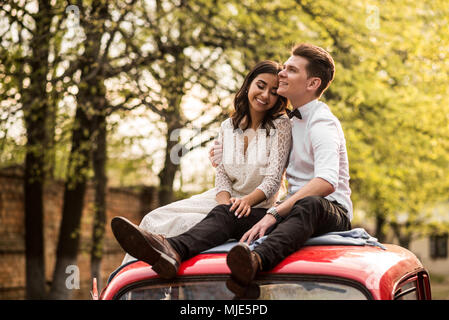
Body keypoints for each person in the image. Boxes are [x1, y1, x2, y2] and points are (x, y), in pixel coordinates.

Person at [112, 43, 352, 299]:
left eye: (291, 70)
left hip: (329, 210)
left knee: (311, 204)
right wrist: (225, 156)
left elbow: (326, 181)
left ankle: (255, 261)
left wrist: (273, 213)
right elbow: (260, 151)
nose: (282, 73)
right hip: (293, 212)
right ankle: (171, 249)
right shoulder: (289, 122)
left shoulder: (321, 122)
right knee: (226, 215)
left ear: (312, 83)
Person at [119, 60, 292, 265]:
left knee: (185, 223)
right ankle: (134, 282)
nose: (265, 95)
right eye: (261, 86)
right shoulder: (228, 126)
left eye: (273, 92)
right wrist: (224, 204)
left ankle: (170, 254)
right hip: (222, 201)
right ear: (248, 85)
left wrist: (245, 202)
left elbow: (273, 181)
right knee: (153, 219)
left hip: (256, 206)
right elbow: (222, 175)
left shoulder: (280, 126)